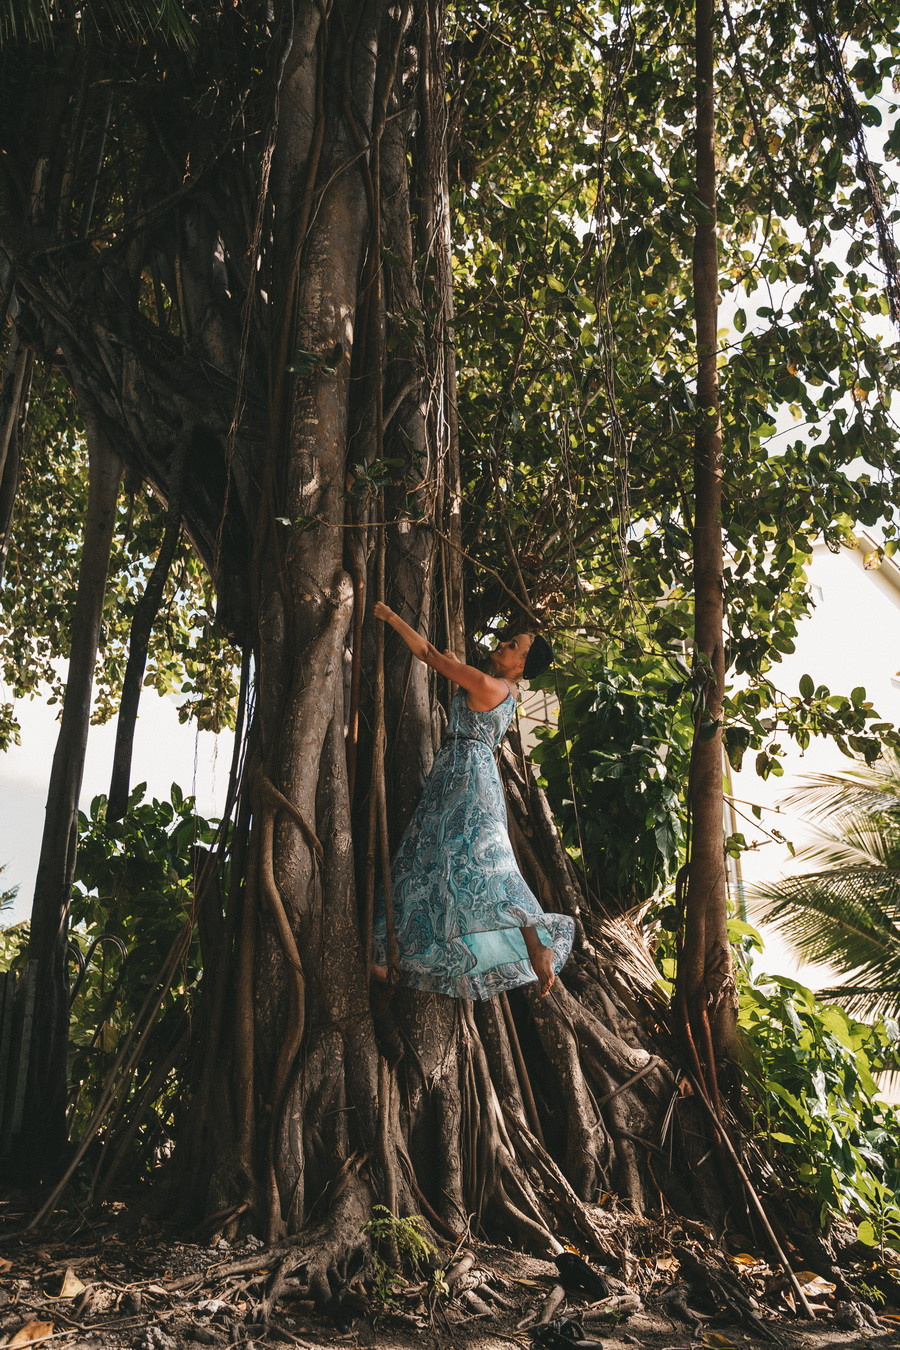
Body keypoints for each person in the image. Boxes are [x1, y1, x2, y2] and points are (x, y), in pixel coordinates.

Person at [370, 602, 574, 999]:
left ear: (521, 664)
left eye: (513, 645)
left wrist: (390, 616)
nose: (504, 643)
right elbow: (452, 666)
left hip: (465, 778)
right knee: (440, 861)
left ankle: (534, 942)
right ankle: (396, 956)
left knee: (467, 864)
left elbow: (429, 655)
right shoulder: (503, 690)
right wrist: (454, 662)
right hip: (466, 775)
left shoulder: (490, 686)